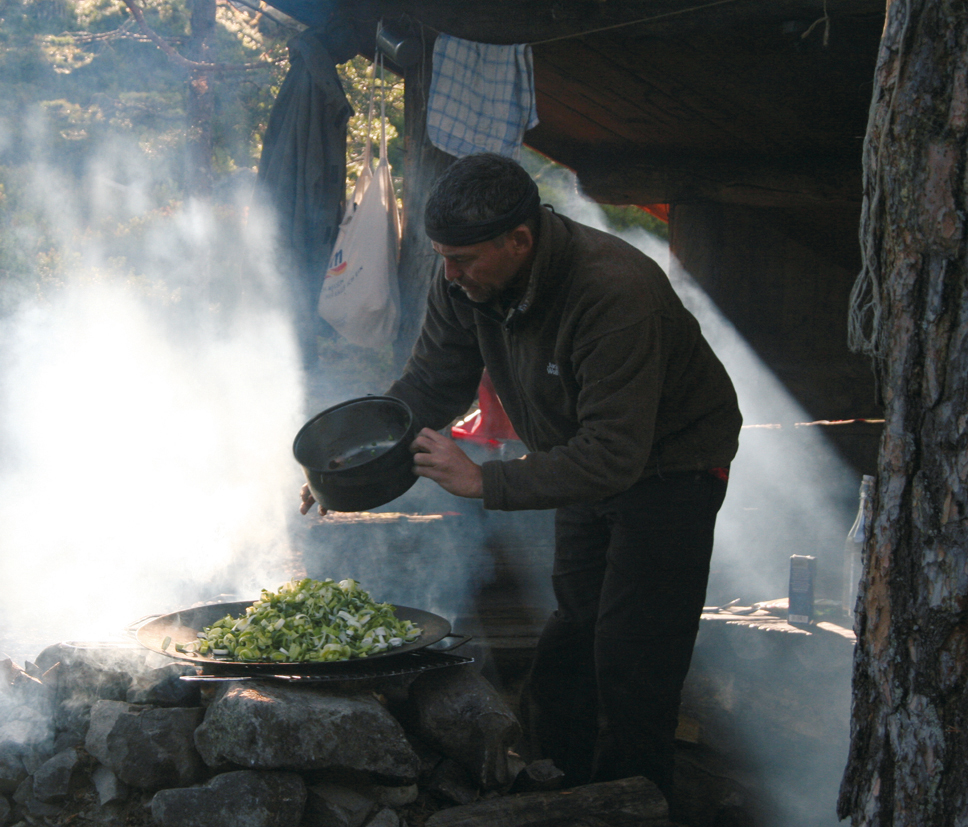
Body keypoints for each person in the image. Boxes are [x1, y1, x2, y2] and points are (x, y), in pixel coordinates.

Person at [300, 153, 741, 799]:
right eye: (443, 256)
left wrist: (486, 481)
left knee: (633, 656)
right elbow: (432, 384)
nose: (449, 274)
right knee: (570, 640)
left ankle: (634, 803)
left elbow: (616, 455)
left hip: (671, 467)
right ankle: (556, 790)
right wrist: (355, 466)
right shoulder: (465, 280)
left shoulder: (614, 292)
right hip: (579, 456)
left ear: (520, 241)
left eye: (464, 259)